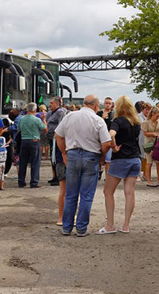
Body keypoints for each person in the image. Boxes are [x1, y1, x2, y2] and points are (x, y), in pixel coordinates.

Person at [55, 95, 112, 237]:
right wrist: (102, 156)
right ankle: (81, 228)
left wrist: (63, 152)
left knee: (70, 194)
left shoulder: (70, 116)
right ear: (96, 106)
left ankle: (66, 227)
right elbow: (106, 143)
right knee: (86, 195)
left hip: (72, 155)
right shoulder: (98, 120)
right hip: (91, 156)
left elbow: (58, 135)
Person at [98, 96, 142, 234]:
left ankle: (110, 225)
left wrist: (113, 145)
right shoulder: (136, 122)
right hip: (135, 159)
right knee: (129, 192)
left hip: (121, 159)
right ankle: (126, 225)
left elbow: (111, 133)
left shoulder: (117, 121)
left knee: (108, 192)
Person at [17, 103, 47, 188]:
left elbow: (18, 129)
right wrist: (44, 119)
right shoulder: (36, 119)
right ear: (34, 110)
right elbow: (45, 129)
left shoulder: (21, 119)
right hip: (34, 140)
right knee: (35, 162)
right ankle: (34, 182)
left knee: (23, 162)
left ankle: (21, 181)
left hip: (24, 141)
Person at [45, 97, 67, 186]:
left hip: (56, 138)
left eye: (51, 103)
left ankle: (59, 177)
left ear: (57, 104)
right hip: (50, 138)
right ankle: (55, 176)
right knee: (53, 158)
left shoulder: (60, 113)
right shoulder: (50, 113)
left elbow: (61, 125)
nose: (50, 105)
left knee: (58, 158)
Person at [142, 107, 159, 186]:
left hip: (158, 143)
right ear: (152, 114)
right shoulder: (146, 122)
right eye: (157, 116)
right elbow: (144, 133)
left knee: (158, 161)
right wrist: (152, 134)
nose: (158, 118)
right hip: (149, 143)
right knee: (149, 162)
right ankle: (149, 180)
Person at [97, 96, 115, 178]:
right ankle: (98, 172)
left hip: (109, 138)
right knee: (99, 156)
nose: (108, 105)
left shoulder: (113, 114)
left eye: (109, 103)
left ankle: (107, 176)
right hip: (100, 138)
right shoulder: (99, 114)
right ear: (104, 104)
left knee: (108, 159)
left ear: (112, 105)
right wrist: (102, 118)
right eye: (106, 103)